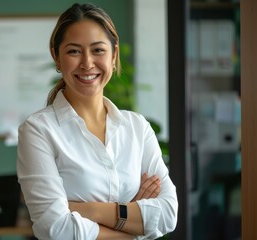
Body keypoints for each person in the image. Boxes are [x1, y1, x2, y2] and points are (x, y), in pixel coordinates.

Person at [17, 3, 178, 239]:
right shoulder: (38, 130)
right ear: (56, 56)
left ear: (114, 55)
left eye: (98, 50)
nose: (87, 63)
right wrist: (132, 221)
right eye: (74, 51)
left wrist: (85, 210)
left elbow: (167, 215)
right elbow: (55, 229)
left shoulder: (137, 128)